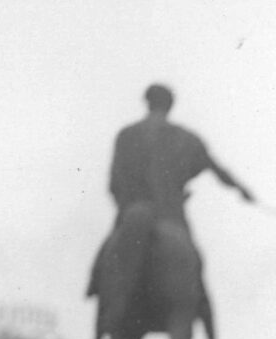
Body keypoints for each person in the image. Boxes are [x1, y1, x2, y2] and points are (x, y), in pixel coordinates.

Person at [88, 83, 254, 300]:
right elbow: (217, 169)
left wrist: (125, 204)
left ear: (147, 103)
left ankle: (98, 302)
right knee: (194, 266)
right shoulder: (186, 138)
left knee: (107, 259)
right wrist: (242, 190)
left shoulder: (126, 135)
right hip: (172, 215)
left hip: (132, 213)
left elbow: (113, 183)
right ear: (170, 106)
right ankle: (201, 308)